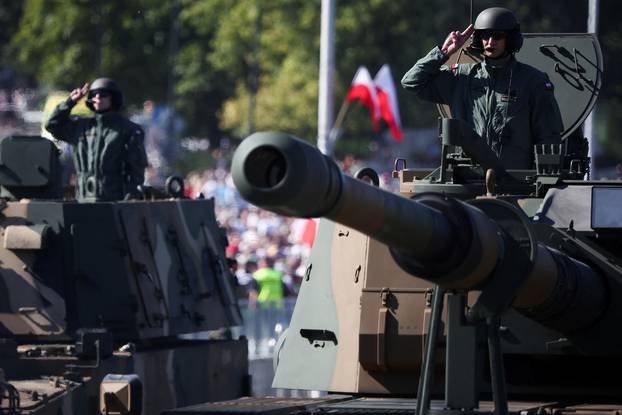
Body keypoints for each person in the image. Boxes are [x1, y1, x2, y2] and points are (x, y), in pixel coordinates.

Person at [401, 7, 563, 169]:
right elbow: (411, 82)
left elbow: (548, 134)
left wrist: (544, 175)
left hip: (515, 181)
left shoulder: (533, 81)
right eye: (485, 36)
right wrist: (444, 52)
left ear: (511, 39)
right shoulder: (461, 78)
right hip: (467, 179)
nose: (490, 42)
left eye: (497, 36)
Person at [45, 78, 148, 201]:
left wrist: (131, 196)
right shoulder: (80, 127)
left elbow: (137, 169)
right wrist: (71, 101)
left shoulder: (127, 129)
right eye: (94, 94)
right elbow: (52, 125)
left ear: (113, 98)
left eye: (103, 94)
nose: (98, 97)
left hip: (114, 200)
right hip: (83, 199)